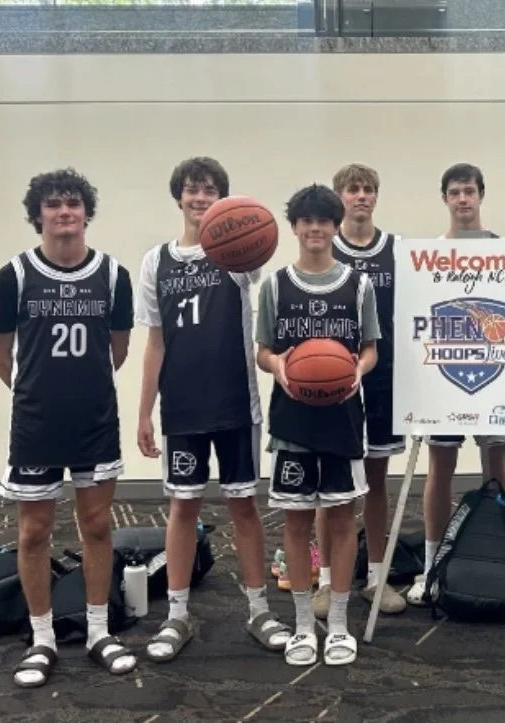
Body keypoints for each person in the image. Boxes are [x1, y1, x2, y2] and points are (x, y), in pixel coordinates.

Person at [134, 157, 291, 662]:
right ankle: (177, 615)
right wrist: (143, 412)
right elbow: (155, 344)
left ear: (222, 199)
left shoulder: (240, 256)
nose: (200, 198)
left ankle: (259, 611)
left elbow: (257, 255)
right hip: (182, 407)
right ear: (178, 196)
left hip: (235, 403)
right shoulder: (155, 262)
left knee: (245, 505)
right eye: (192, 190)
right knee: (183, 508)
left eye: (210, 191)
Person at [0, 168, 138, 687]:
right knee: (34, 532)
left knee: (96, 526)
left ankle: (98, 630)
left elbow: (118, 349)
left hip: (95, 421)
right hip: (36, 424)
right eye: (53, 205)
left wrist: (82, 388)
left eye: (73, 203)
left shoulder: (113, 276)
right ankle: (43, 638)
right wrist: (39, 393)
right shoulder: (14, 276)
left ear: (87, 212)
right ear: (38, 216)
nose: (65, 212)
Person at [255, 183, 380, 667]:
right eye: (305, 221)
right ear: (294, 227)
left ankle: (341, 624)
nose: (314, 229)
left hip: (344, 417)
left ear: (334, 226)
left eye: (323, 221)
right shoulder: (275, 285)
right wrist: (280, 367)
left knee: (343, 517)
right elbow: (263, 350)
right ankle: (305, 624)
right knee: (297, 521)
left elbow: (370, 349)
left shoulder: (358, 285)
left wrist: (356, 371)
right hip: (292, 419)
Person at [405, 162, 505, 607]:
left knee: (498, 466)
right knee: (441, 468)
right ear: (445, 199)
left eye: (469, 191)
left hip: (495, 374)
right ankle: (432, 563)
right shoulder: (429, 254)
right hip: (445, 376)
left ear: (481, 196)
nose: (463, 199)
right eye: (455, 192)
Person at [306, 163, 407, 618]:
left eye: (368, 189)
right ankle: (327, 580)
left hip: (381, 378)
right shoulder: (327, 248)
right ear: (338, 197)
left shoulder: (397, 250)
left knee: (378, 482)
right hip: (330, 384)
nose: (360, 196)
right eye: (352, 189)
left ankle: (377, 576)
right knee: (334, 489)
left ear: (376, 197)